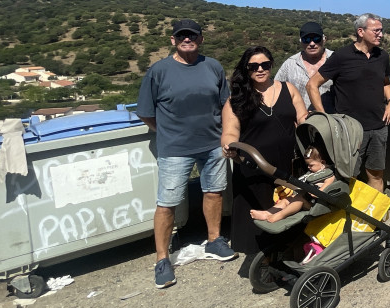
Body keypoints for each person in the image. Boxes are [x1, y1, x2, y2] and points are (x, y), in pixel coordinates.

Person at [136, 19, 235, 290]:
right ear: (173, 40)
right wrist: (167, 132)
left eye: (192, 35)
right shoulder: (159, 71)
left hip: (212, 144)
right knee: (167, 202)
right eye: (181, 36)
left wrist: (226, 134)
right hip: (175, 149)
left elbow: (225, 102)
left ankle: (214, 240)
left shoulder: (213, 66)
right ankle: (162, 259)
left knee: (214, 192)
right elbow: (145, 111)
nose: (187, 39)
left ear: (201, 39)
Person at [220, 46, 308, 255]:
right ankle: (264, 261)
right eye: (254, 66)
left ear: (271, 65)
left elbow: (303, 118)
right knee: (260, 215)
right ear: (246, 69)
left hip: (289, 164)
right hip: (255, 166)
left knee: (289, 209)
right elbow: (230, 131)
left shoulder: (289, 89)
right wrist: (229, 146)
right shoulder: (236, 100)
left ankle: (292, 254)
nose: (260, 69)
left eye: (265, 65)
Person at [306, 13, 390, 193]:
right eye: (376, 30)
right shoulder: (342, 56)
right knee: (347, 177)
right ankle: (347, 218)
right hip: (351, 132)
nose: (381, 34)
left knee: (376, 175)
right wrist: (325, 119)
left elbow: (386, 83)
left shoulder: (383, 56)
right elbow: (312, 85)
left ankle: (371, 219)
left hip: (379, 127)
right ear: (361, 31)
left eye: (381, 30)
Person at [251, 145, 335, 224]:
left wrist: (317, 192)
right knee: (286, 200)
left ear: (322, 162)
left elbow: (327, 185)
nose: (308, 167)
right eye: (307, 165)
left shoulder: (328, 174)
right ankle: (267, 213)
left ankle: (280, 215)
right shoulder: (312, 173)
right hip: (305, 196)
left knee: (298, 199)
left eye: (311, 165)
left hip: (316, 202)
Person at [275, 21, 332, 110]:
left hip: (331, 120)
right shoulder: (290, 64)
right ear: (301, 41)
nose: (312, 44)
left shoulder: (336, 60)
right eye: (307, 40)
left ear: (324, 39)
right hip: (300, 121)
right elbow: (275, 90)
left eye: (316, 39)